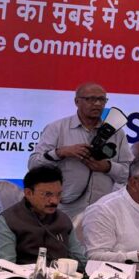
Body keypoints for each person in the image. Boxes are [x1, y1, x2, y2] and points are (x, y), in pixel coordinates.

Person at [28, 83, 133, 219]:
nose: (97, 104)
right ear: (77, 101)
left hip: (102, 211)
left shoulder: (116, 133)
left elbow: (130, 173)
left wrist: (107, 167)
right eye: (91, 99)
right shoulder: (57, 128)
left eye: (102, 99)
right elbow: (33, 165)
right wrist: (61, 153)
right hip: (63, 210)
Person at [0, 166, 86, 266]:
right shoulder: (9, 220)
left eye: (58, 194)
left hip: (61, 275)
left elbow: (80, 260)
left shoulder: (63, 219)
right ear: (28, 193)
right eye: (47, 194)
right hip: (23, 275)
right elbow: (6, 266)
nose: (54, 201)